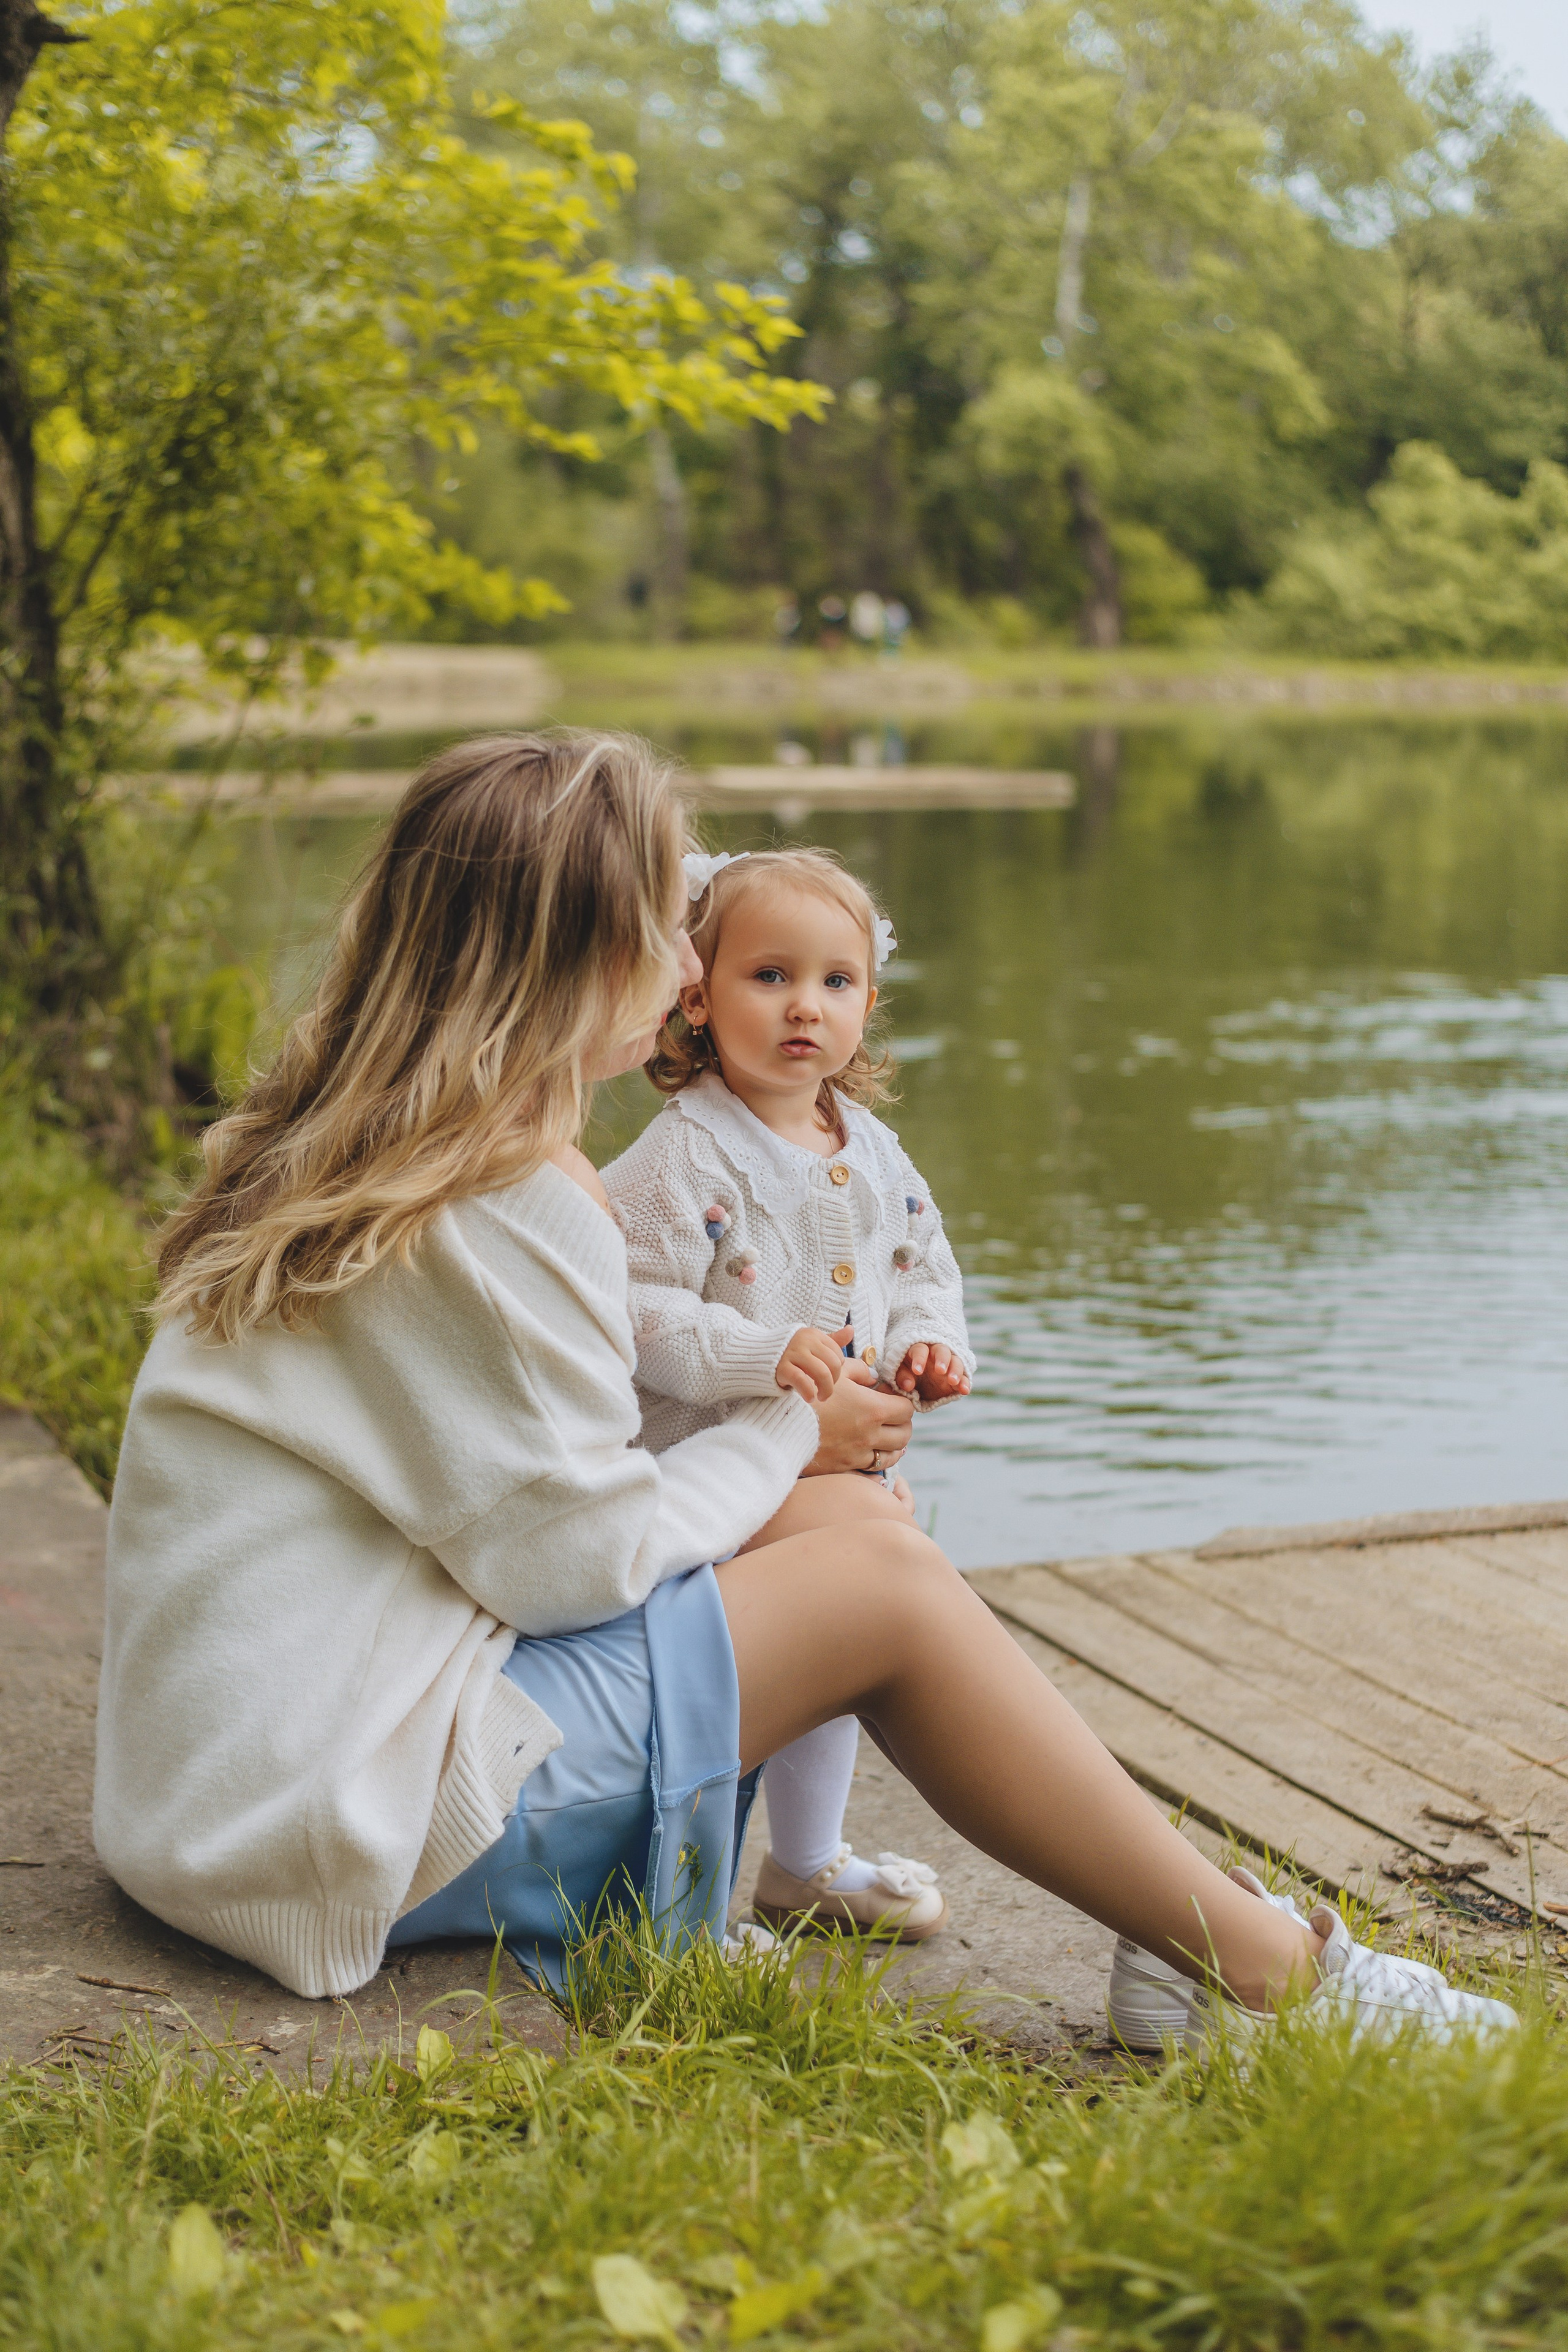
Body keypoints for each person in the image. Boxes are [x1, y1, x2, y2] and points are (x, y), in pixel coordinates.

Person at [94, 731, 1515, 2046]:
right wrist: (787, 1426)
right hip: (335, 1827)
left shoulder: (356, 1145)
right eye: (665, 923)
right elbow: (576, 1564)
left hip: (244, 1784)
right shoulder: (494, 1199)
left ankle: (1191, 1936)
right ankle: (1267, 1973)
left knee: (864, 1531)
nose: (684, 953)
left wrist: (806, 1468)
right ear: (577, 964)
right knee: (879, 1584)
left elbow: (531, 1518)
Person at [601, 845, 971, 1943]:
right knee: (739, 1684)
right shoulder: (686, 1154)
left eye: (836, 982)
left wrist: (928, 1346)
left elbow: (925, 1268)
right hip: (706, 1478)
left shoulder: (875, 1151)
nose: (805, 1006)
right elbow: (626, 1304)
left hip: (827, 1468)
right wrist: (758, 1355)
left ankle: (805, 1864)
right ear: (700, 996)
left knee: (840, 1655)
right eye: (769, 977)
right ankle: (692, 1899)